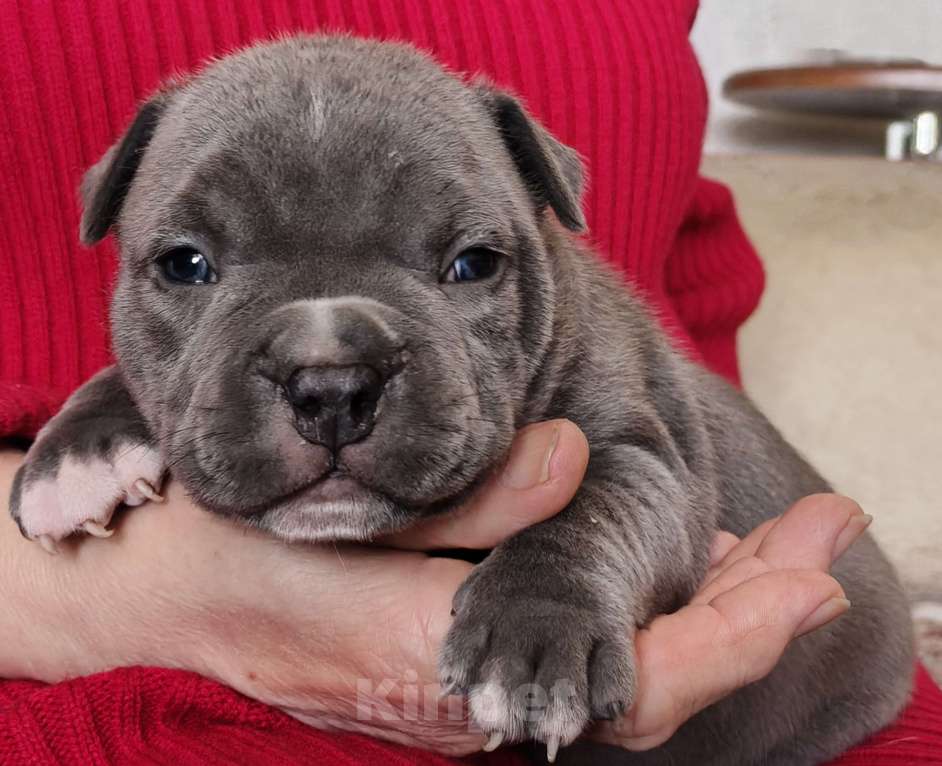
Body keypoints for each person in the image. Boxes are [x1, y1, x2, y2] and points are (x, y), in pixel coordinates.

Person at [1, 1, 939, 764]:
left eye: (466, 265)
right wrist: (122, 409)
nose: (329, 380)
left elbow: (647, 474)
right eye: (192, 268)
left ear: (545, 230)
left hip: (796, 717)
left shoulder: (586, 352)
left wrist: (561, 588)